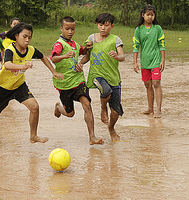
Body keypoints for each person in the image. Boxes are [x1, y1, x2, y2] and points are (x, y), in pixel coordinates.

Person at [0, 23, 64, 145]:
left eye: (29, 37)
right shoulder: (10, 49)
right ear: (16, 36)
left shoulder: (31, 50)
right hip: (2, 88)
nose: (27, 40)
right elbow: (8, 65)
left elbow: (43, 58)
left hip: (19, 85)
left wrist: (53, 72)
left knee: (35, 107)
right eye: (24, 36)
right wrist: (23, 66)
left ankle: (33, 136)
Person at [51, 16, 103, 145]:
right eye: (67, 29)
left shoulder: (74, 44)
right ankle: (58, 106)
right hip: (64, 84)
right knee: (70, 114)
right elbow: (53, 58)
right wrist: (64, 55)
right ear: (61, 28)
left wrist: (87, 47)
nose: (70, 32)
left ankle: (92, 137)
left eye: (72, 29)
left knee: (87, 104)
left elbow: (83, 51)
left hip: (78, 80)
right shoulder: (59, 44)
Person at [78, 13, 125, 142]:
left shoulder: (116, 39)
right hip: (96, 75)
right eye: (100, 25)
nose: (103, 28)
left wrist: (116, 56)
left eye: (106, 25)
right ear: (97, 25)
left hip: (114, 78)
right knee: (106, 90)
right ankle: (103, 109)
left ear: (112, 26)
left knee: (116, 112)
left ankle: (111, 128)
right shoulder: (91, 38)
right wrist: (81, 63)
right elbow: (87, 55)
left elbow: (122, 57)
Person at [133, 4, 165, 118]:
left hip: (156, 60)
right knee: (147, 85)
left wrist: (163, 60)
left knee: (156, 83)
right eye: (148, 14)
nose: (150, 17)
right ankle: (150, 109)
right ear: (143, 15)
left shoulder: (157, 28)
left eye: (152, 15)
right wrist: (135, 62)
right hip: (144, 62)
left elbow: (162, 45)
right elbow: (135, 46)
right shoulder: (139, 29)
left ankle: (158, 110)